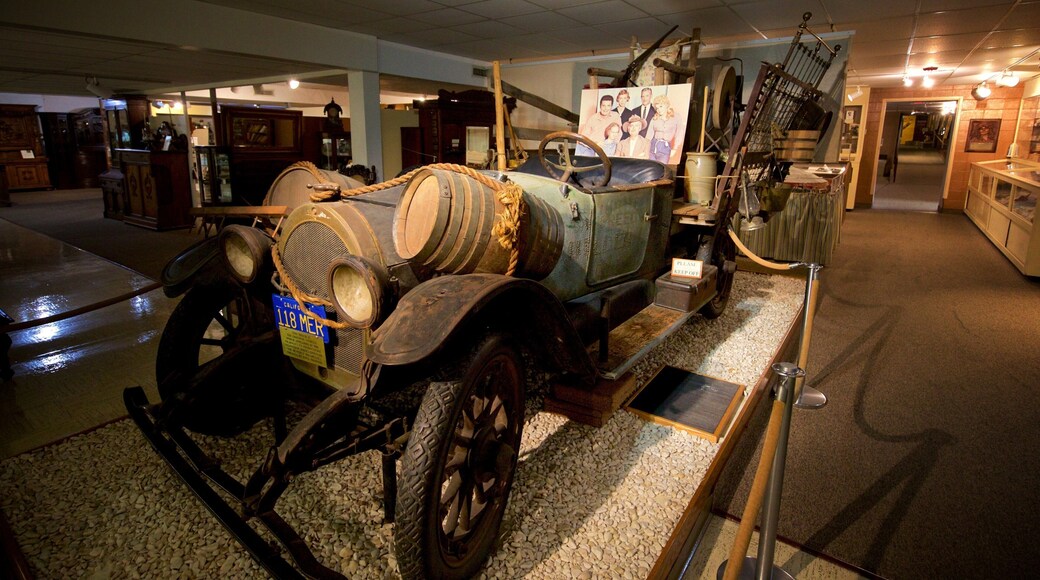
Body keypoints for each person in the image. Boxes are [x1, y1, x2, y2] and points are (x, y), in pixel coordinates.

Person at [646, 95, 677, 164]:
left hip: (665, 148)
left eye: (661, 107)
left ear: (666, 105)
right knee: (652, 168)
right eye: (657, 108)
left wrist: (675, 148)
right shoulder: (654, 119)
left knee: (662, 168)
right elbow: (649, 135)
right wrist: (645, 149)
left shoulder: (673, 119)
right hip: (653, 147)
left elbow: (677, 134)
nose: (659, 110)